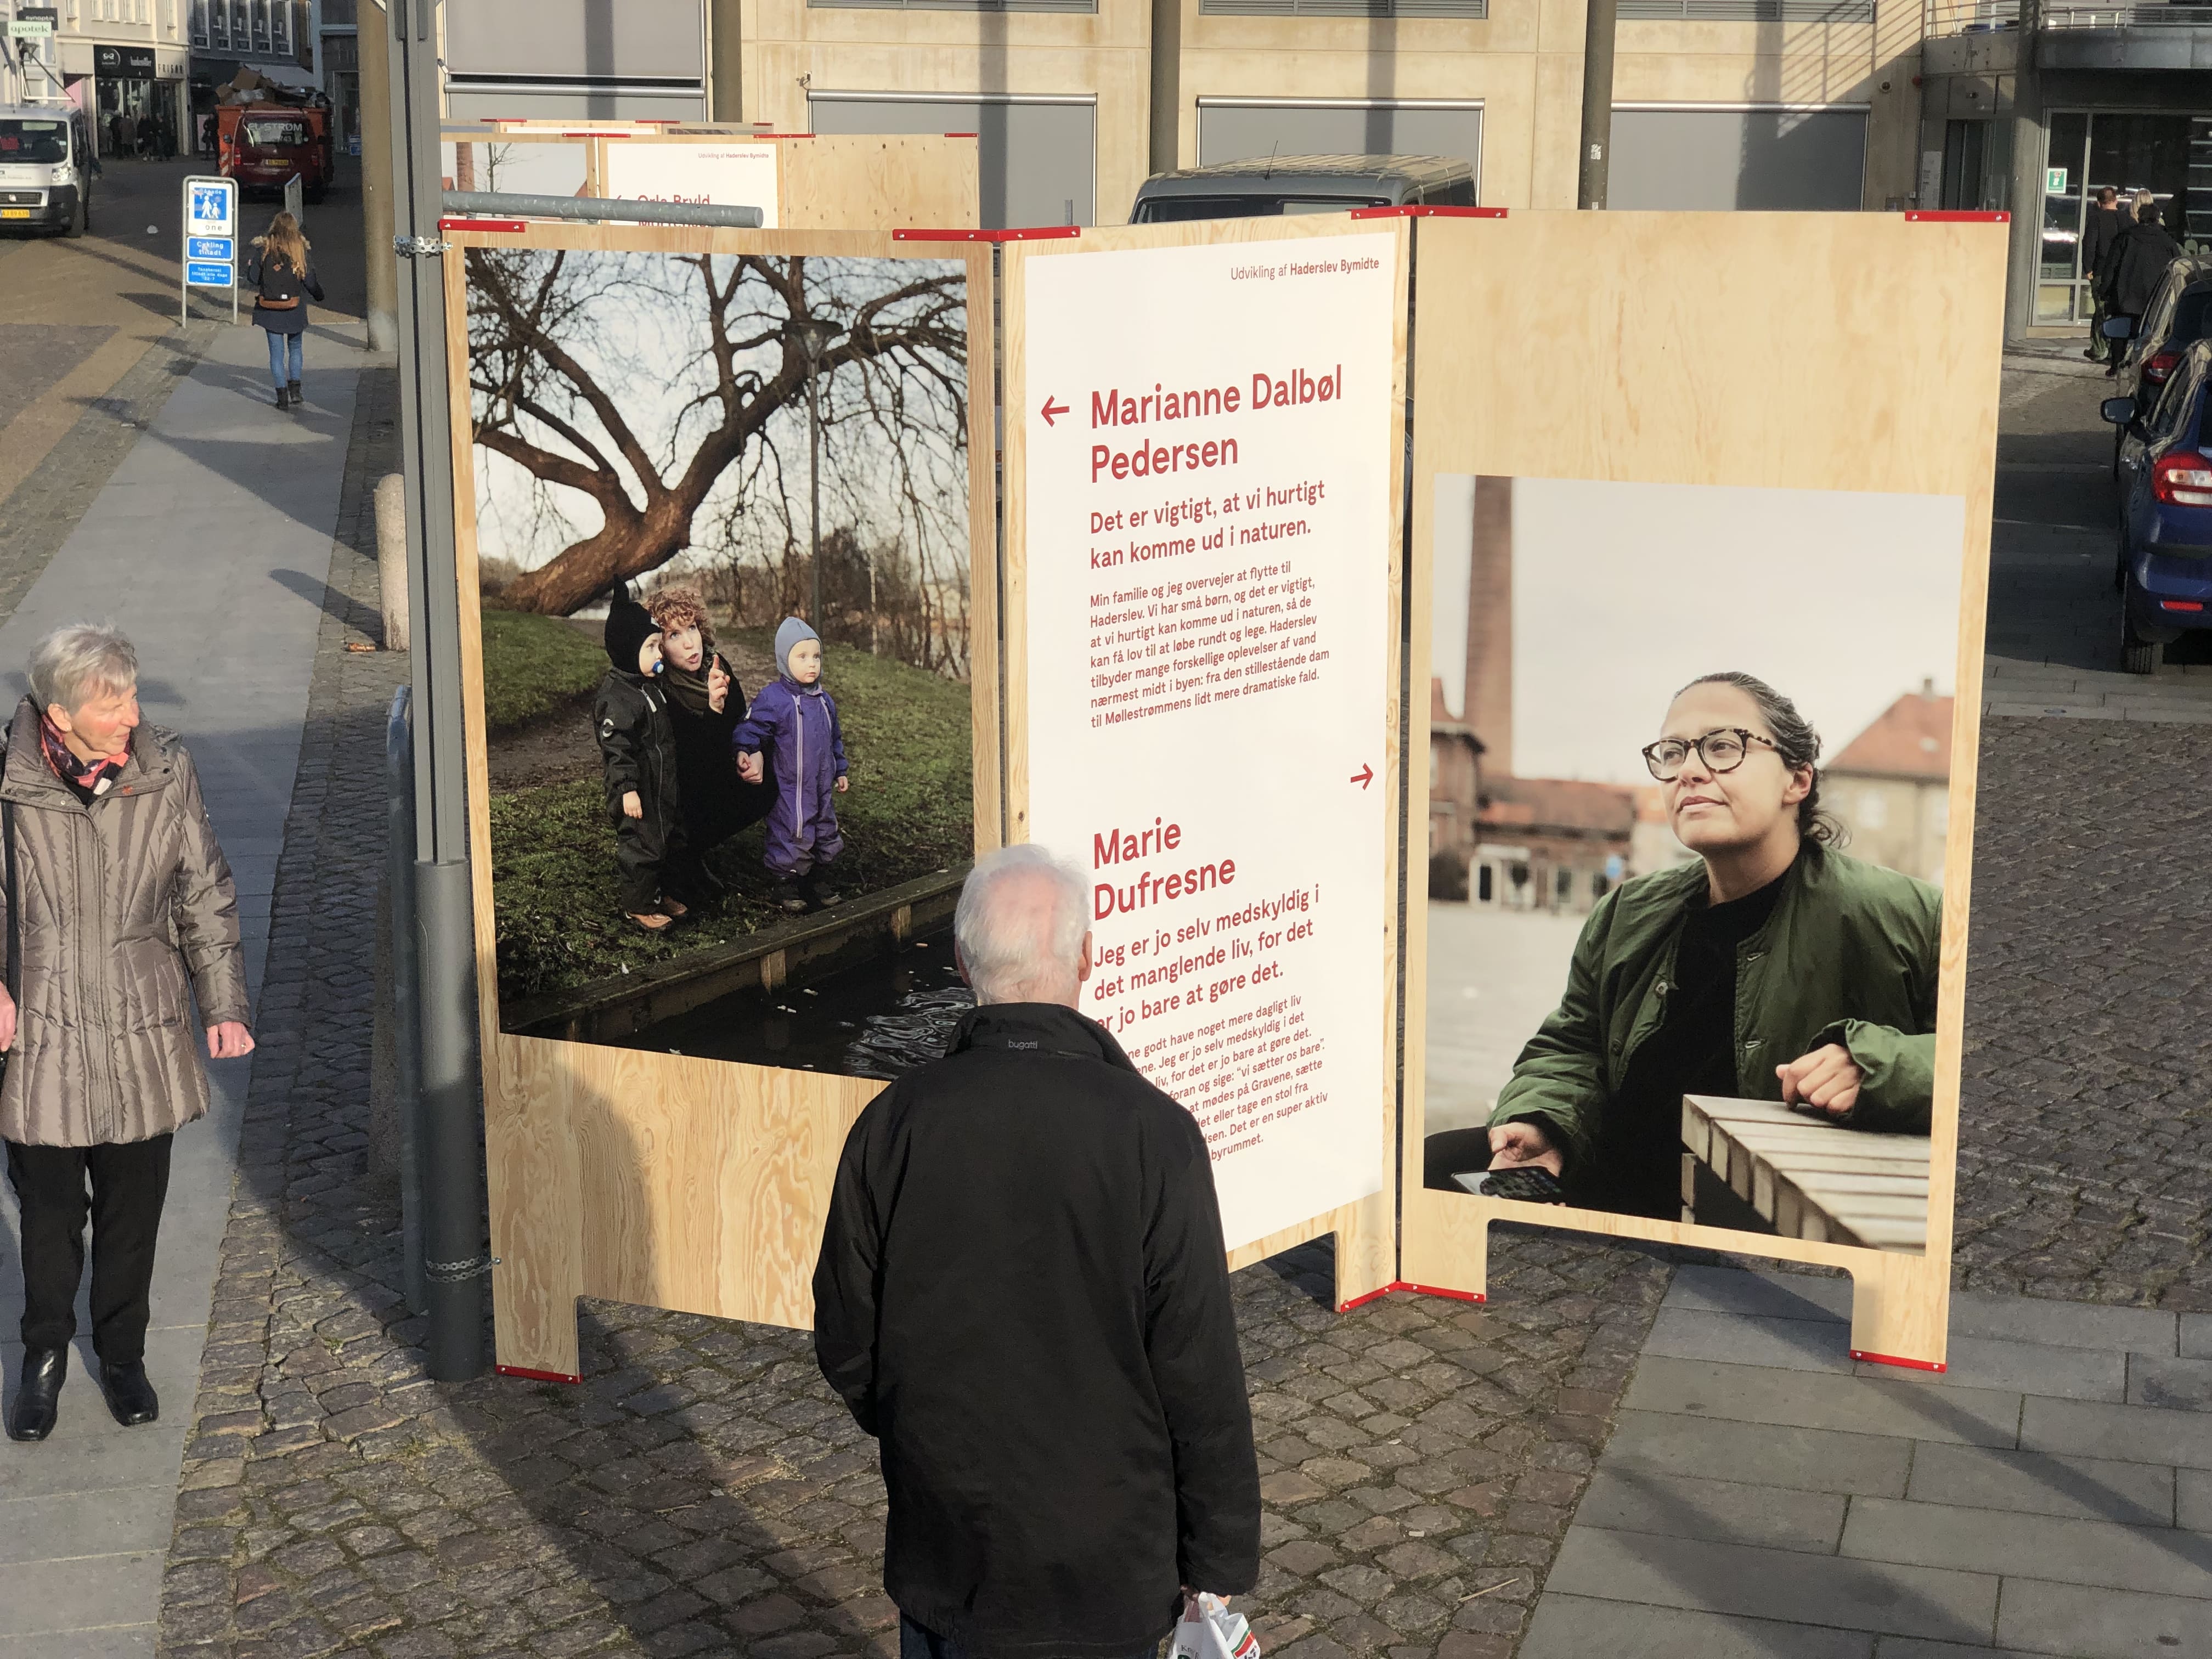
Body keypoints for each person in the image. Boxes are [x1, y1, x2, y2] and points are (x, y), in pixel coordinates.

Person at [814, 844, 1261, 1659]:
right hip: (1107, 1557)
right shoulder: (1154, 1133)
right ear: (1089, 957)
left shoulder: (896, 1122)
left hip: (948, 1543)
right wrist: (1217, 1554)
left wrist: (916, 1431)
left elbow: (846, 1332)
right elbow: (1198, 1363)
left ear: (961, 962)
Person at [1424, 671, 1940, 1221]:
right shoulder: (1628, 913)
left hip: (1749, 1223)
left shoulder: (1903, 915)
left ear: (1798, 781)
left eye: (1723, 747)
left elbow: (1995, 1065)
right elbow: (1574, 1046)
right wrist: (1544, 1124)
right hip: (1601, 1185)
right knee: (1423, 1168)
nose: (1689, 770)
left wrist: (1879, 1065)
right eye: (1673, 753)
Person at [4, 624, 253, 1443]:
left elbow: (203, 892)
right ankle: (43, 1355)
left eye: (134, 695)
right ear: (61, 713)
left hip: (143, 1025)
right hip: (38, 1034)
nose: (133, 716)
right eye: (114, 703)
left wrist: (223, 1007)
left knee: (131, 1211)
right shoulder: (6, 784)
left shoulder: (165, 770)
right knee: (46, 1217)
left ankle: (122, 1354)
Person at [644, 585, 771, 894]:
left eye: (691, 627)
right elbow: (691, 764)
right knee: (694, 801)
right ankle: (683, 857)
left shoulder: (717, 665)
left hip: (716, 775)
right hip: (678, 795)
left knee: (775, 768)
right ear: (659, 646)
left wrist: (752, 752)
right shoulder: (659, 690)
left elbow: (743, 722)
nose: (690, 643)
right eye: (674, 635)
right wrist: (713, 709)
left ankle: (791, 852)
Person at [734, 617, 848, 915]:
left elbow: (834, 737)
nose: (812, 664)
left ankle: (819, 877)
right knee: (791, 828)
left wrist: (841, 769)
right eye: (802, 657)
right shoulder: (775, 699)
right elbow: (752, 727)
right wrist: (745, 749)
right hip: (790, 784)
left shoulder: (825, 702)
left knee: (824, 826)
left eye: (816, 656)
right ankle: (786, 880)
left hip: (821, 783)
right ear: (785, 660)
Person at [594, 591, 690, 934]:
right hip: (638, 791)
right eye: (650, 648)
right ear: (626, 651)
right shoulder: (619, 698)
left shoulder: (649, 686)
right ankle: (639, 905)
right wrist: (627, 790)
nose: (658, 654)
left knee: (666, 839)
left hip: (660, 785)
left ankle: (658, 894)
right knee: (641, 846)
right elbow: (617, 750)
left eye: (657, 646)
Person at [243, 212, 324, 410]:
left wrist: (252, 267)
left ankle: (282, 399)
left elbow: (253, 279)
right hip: (294, 308)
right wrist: (319, 295)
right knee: (295, 348)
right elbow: (310, 282)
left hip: (270, 309)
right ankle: (295, 392)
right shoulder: (300, 250)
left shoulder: (264, 249)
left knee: (276, 355)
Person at [2101, 194, 2183, 377]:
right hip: (2155, 297)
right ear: (2157, 217)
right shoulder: (2167, 242)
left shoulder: (2126, 237)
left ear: (2139, 217)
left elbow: (2112, 267)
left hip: (2126, 295)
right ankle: (2143, 365)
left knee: (2120, 332)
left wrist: (2105, 291)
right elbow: (2177, 267)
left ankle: (2116, 365)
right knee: (2151, 334)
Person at [2083, 185, 2124, 363]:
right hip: (2121, 271)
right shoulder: (2126, 219)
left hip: (2101, 270)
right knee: (2114, 310)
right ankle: (2102, 347)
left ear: (2099, 203)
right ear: (2116, 200)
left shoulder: (2096, 219)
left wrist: (2088, 268)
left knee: (2101, 309)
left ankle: (2101, 349)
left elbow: (2090, 244)